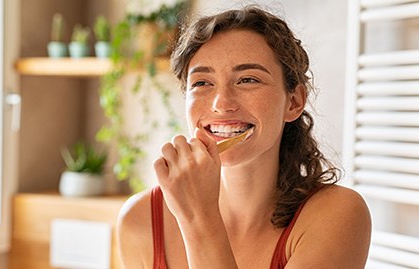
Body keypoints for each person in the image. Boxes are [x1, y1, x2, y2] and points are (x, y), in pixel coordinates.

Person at [117, 5, 371, 269]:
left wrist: (199, 218)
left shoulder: (336, 215)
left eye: (248, 79)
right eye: (202, 83)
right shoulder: (141, 219)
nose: (221, 103)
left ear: (293, 102)